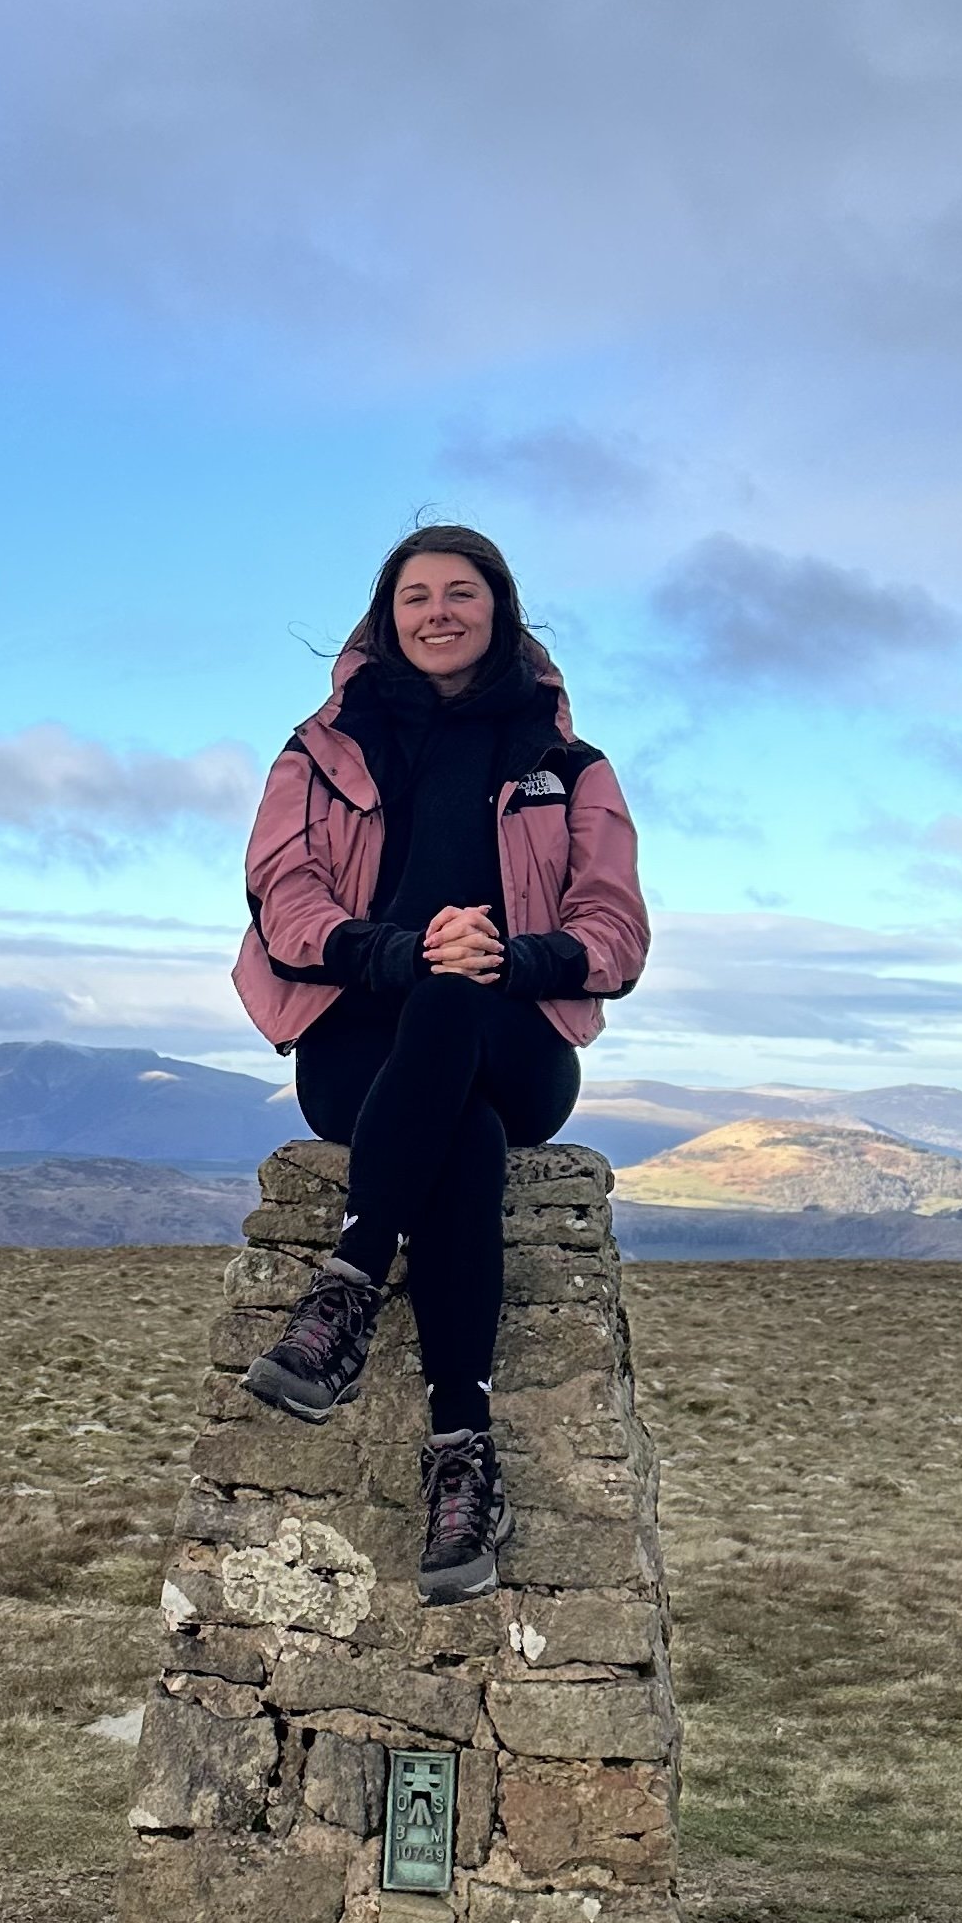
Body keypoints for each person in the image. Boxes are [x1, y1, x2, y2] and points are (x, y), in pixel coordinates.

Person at [231, 524, 650, 1602]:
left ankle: (352, 1282)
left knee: (457, 1003)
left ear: (501, 610)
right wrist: (400, 951)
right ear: (386, 618)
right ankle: (462, 1454)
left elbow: (615, 930)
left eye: (461, 593)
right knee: (452, 1128)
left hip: (514, 1034)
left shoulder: (569, 765)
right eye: (415, 597)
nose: (437, 613)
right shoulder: (318, 752)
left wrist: (512, 956)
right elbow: (285, 900)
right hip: (358, 1040)